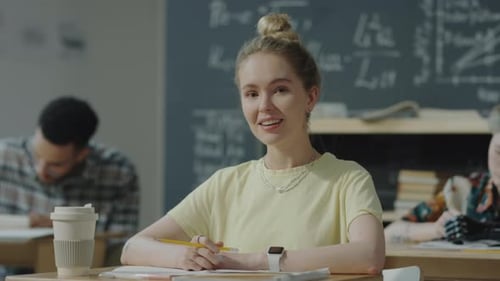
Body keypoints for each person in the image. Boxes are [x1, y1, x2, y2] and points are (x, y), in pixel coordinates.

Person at [120, 13, 385, 274]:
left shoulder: (349, 179)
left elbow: (369, 255)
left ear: (310, 97)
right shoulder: (225, 184)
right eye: (252, 94)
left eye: (280, 90)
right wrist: (190, 256)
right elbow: (133, 248)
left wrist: (253, 261)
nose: (264, 107)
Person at [0, 96, 139, 272]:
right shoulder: (4, 157)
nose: (40, 170)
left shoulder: (118, 172)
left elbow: (121, 247)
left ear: (82, 155)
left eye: (56, 165)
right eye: (37, 155)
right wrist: (26, 223)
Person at [385, 106, 500, 243]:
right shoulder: (464, 190)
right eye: (499, 152)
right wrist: (438, 229)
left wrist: (486, 232)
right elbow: (389, 233)